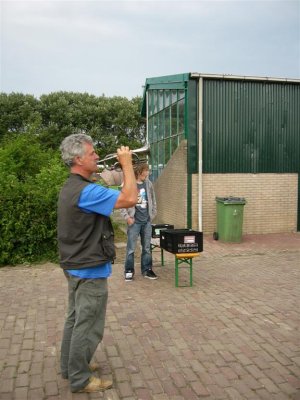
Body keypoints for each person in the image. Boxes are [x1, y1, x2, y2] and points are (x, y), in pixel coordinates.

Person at [57, 133, 137, 393]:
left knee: (74, 318)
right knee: (88, 325)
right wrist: (127, 164)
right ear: (79, 159)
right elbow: (130, 198)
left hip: (75, 264)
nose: (98, 156)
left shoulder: (72, 186)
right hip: (88, 268)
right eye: (92, 154)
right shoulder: (87, 191)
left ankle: (70, 367)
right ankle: (79, 379)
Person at [120, 163, 157, 281]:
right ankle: (129, 271)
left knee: (146, 247)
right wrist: (127, 217)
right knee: (131, 248)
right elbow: (122, 202)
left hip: (146, 221)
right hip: (134, 222)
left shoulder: (149, 184)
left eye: (148, 171)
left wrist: (153, 214)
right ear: (139, 171)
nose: (147, 173)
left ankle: (147, 270)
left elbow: (153, 199)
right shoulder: (129, 184)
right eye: (146, 171)